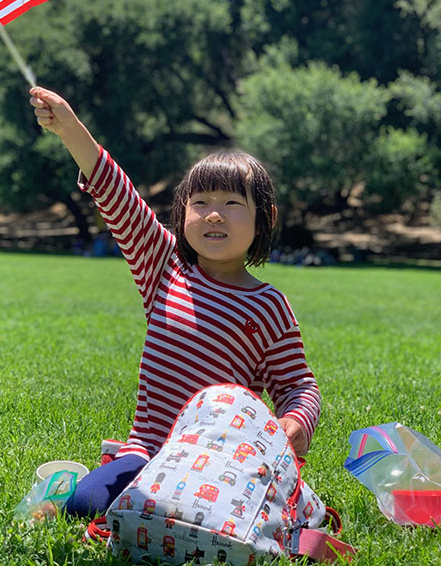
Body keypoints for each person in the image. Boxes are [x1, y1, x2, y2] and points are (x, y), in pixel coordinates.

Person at [29, 86, 321, 518]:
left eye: (232, 203)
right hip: (148, 451)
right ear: (182, 213)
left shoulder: (269, 306)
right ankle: (93, 478)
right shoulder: (164, 266)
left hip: (223, 467)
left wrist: (294, 423)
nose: (214, 214)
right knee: (85, 505)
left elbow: (299, 386)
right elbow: (118, 198)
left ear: (266, 218)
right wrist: (71, 130)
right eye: (200, 203)